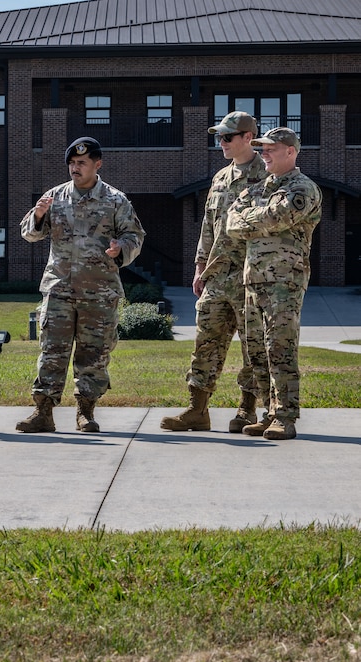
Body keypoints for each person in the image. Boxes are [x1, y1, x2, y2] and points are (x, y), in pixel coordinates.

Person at [16, 137, 145, 433]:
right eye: (72, 163)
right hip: (59, 289)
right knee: (52, 351)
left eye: (82, 163)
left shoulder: (115, 200)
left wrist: (120, 248)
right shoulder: (55, 197)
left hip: (99, 292)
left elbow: (135, 236)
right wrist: (37, 215)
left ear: (97, 165)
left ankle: (85, 412)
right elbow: (29, 233)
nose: (75, 168)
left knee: (94, 354)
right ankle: (43, 412)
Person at [161, 111, 268, 433]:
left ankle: (247, 410)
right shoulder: (220, 177)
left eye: (227, 137)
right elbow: (209, 226)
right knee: (206, 341)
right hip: (218, 276)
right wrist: (199, 268)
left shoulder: (269, 175)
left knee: (253, 345)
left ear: (248, 137)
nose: (220, 142)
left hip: (252, 275)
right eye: (219, 137)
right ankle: (197, 410)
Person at [226, 127, 322, 440]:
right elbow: (231, 223)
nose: (264, 154)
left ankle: (285, 417)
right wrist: (260, 218)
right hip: (253, 280)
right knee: (256, 350)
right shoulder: (257, 187)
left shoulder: (302, 188)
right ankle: (269, 413)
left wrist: (254, 219)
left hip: (285, 281)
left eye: (271, 149)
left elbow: (278, 219)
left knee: (280, 347)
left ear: (291, 151)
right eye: (262, 148)